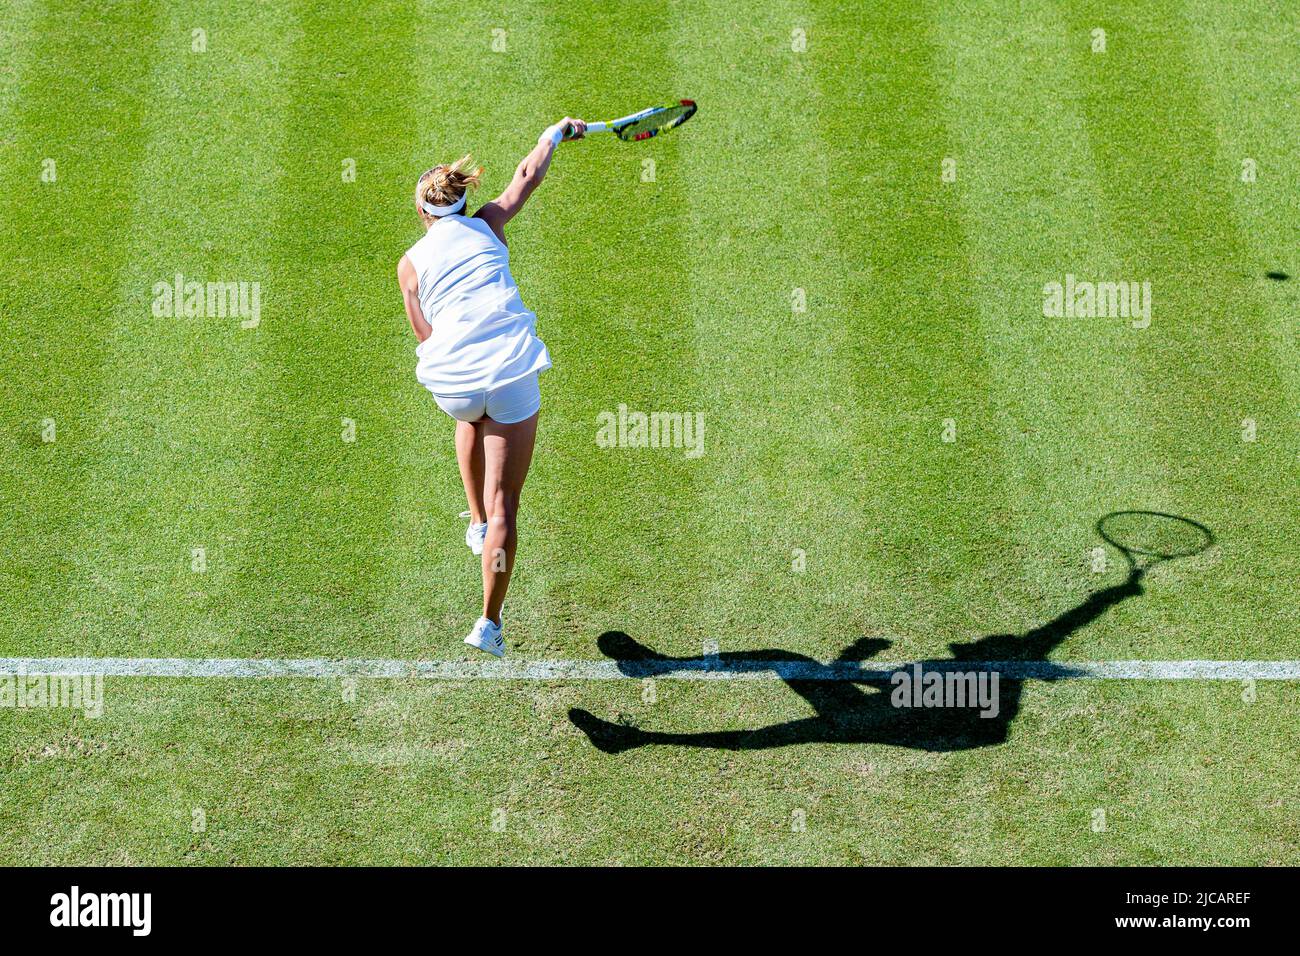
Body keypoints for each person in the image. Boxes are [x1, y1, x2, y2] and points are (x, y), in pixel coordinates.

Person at [398, 117, 587, 656]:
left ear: (422, 212)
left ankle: (476, 523)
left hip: (453, 381)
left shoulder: (408, 266)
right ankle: (489, 622)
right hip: (509, 373)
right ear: (461, 202)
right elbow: (525, 177)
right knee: (508, 503)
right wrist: (552, 135)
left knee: (469, 415)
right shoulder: (487, 224)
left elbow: (425, 334)